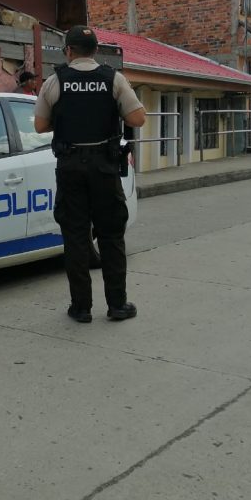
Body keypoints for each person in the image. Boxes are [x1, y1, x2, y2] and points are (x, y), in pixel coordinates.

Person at [34, 25, 146, 324]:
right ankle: (118, 305)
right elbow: (138, 118)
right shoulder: (114, 79)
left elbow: (40, 126)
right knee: (111, 236)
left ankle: (81, 308)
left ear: (68, 51)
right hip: (104, 167)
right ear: (96, 50)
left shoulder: (55, 80)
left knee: (75, 237)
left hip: (70, 167)